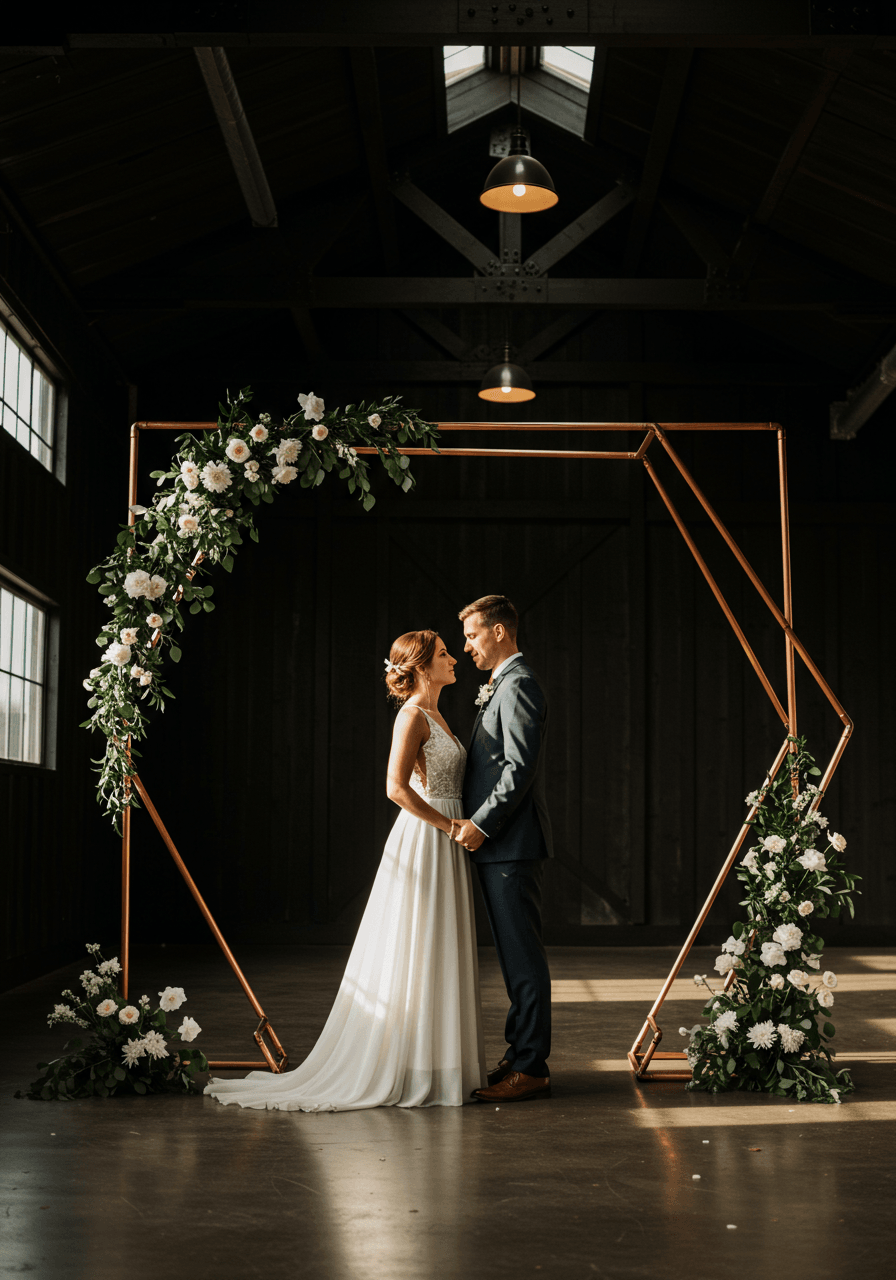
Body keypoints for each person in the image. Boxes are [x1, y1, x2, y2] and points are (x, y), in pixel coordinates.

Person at [204, 630, 485, 1111]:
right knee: (416, 942)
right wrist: (447, 825)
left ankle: (437, 1063)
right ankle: (403, 1065)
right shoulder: (412, 715)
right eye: (443, 653)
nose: (454, 658)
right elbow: (396, 787)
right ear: (419, 666)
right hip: (428, 836)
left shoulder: (439, 714)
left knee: (439, 944)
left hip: (448, 836)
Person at [453, 595, 553, 1104]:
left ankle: (532, 1066)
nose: (466, 646)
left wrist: (481, 825)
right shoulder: (502, 685)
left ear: (497, 632)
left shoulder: (518, 685)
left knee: (522, 957)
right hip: (501, 848)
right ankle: (520, 1056)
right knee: (514, 958)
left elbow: (519, 769)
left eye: (471, 635)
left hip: (510, 844)